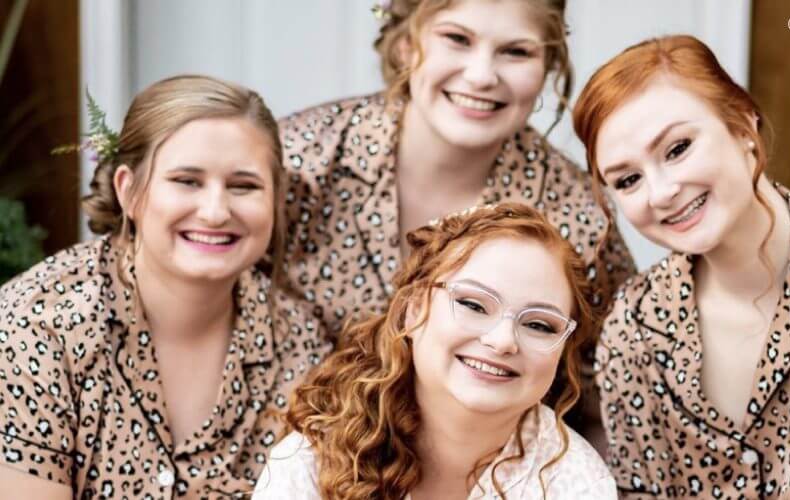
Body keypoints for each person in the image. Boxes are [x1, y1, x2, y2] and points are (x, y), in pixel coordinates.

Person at [571, 34, 790, 498]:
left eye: (677, 149)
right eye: (628, 179)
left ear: (742, 126)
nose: (660, 191)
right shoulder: (634, 329)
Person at [0, 75, 331, 499]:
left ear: (276, 198)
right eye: (186, 181)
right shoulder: (36, 326)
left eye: (243, 186)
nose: (215, 212)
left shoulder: (299, 348)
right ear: (129, 191)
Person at [279, 0, 635, 336]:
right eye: (456, 39)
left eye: (516, 51)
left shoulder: (579, 215)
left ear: (547, 67)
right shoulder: (301, 160)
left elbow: (608, 382)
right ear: (405, 44)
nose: (481, 76)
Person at [252, 203, 618, 499]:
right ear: (413, 307)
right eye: (474, 305)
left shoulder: (577, 484)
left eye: (539, 325)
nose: (503, 340)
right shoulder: (310, 460)